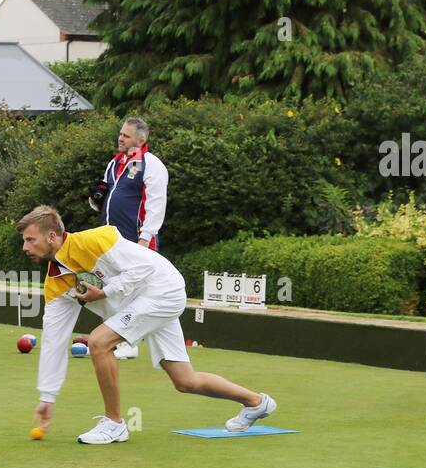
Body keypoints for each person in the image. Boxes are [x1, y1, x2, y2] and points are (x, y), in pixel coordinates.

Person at [18, 205, 275, 444]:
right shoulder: (56, 283)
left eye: (30, 239)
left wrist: (105, 292)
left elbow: (140, 268)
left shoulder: (95, 240)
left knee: (99, 341)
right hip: (142, 305)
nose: (25, 247)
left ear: (52, 236)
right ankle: (256, 403)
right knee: (185, 381)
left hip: (162, 289)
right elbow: (54, 341)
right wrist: (47, 397)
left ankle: (114, 423)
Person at [89, 117, 169, 359]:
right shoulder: (114, 163)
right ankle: (114, 339)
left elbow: (156, 203)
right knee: (113, 288)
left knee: (137, 291)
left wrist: (145, 238)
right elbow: (104, 201)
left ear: (140, 139)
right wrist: (95, 198)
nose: (120, 138)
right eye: (120, 133)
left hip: (135, 239)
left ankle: (129, 342)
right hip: (110, 239)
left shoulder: (151, 164)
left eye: (126, 135)